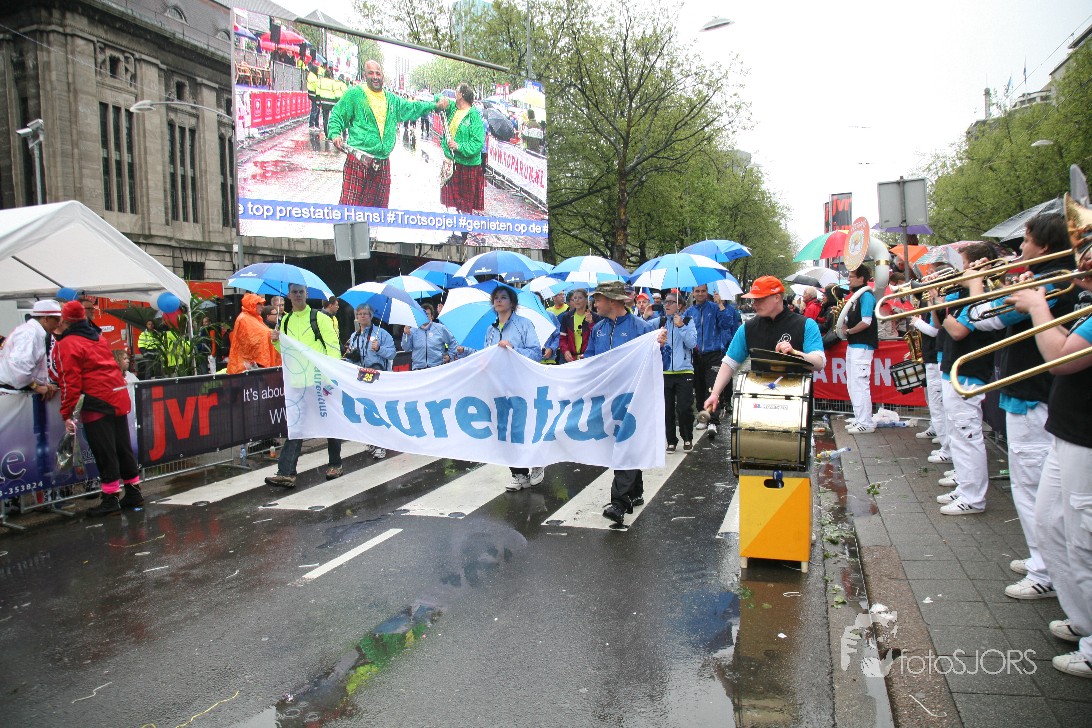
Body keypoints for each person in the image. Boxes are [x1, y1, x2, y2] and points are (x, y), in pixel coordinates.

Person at [962, 214, 1075, 598]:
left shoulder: (1051, 281)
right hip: (1034, 392)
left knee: (1033, 489)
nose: (1020, 248)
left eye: (1025, 241)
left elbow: (983, 320)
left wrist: (975, 284)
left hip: (1034, 394)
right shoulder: (1051, 277)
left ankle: (1046, 570)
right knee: (1035, 489)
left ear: (1044, 245)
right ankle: (1043, 558)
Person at [1007, 233, 1092, 679]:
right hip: (1068, 428)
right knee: (1052, 524)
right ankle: (1083, 618)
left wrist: (1039, 306)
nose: (1083, 259)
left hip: (1084, 437)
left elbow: (1061, 358)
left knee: (1083, 538)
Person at [583, 280, 667, 526]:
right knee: (621, 444)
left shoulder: (641, 328)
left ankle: (619, 503)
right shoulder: (598, 329)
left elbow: (660, 360)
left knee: (625, 443)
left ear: (612, 301)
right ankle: (635, 490)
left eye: (598, 299)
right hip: (607, 398)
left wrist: (661, 346)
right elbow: (590, 358)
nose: (594, 304)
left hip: (633, 398)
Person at [50, 301, 142, 516]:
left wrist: (67, 413)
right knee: (122, 448)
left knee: (104, 451)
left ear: (66, 320)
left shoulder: (68, 343)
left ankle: (110, 499)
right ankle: (133, 492)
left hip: (97, 400)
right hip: (117, 394)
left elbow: (69, 381)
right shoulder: (97, 337)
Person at [934, 242, 1003, 516]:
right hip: (955, 367)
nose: (958, 271)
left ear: (977, 264)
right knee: (958, 433)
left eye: (962, 265)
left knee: (967, 433)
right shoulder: (966, 293)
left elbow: (958, 330)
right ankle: (965, 487)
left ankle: (973, 497)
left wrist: (940, 303)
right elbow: (943, 326)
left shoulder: (980, 294)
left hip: (969, 370)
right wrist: (937, 301)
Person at [703, 275, 826, 422]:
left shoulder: (806, 325)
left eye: (760, 299)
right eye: (754, 299)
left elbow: (819, 363)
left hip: (796, 407)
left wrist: (795, 353)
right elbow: (729, 363)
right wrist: (715, 393)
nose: (755, 304)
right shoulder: (748, 328)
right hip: (759, 405)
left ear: (777, 297)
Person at [328, 60, 450, 208]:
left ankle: (370, 225)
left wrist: (434, 106)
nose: (375, 77)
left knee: (378, 210)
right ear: (364, 75)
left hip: (382, 162)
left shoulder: (392, 100)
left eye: (378, 73)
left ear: (382, 76)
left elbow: (412, 107)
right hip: (358, 159)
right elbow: (337, 115)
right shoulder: (354, 94)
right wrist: (335, 133)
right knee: (349, 207)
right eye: (371, 73)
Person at [266, 283, 344, 486]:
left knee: (330, 424)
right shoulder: (286, 320)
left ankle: (335, 464)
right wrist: (276, 341)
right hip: (297, 384)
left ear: (307, 294)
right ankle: (286, 472)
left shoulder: (320, 318)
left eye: (301, 292)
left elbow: (333, 348)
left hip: (320, 382)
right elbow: (286, 351)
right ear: (289, 295)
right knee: (295, 426)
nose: (298, 295)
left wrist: (330, 379)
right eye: (294, 292)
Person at [480, 287, 547, 492]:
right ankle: (518, 473)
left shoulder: (524, 324)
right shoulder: (490, 329)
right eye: (496, 298)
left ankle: (537, 462)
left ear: (512, 302)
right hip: (499, 386)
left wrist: (513, 349)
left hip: (522, 384)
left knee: (525, 427)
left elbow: (536, 353)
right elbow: (486, 354)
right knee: (505, 429)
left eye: (503, 297)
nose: (499, 301)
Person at [683, 283, 741, 439]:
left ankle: (713, 421)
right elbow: (684, 331)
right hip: (696, 355)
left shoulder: (715, 308)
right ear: (693, 293)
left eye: (703, 291)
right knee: (699, 387)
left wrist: (720, 305)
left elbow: (727, 324)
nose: (700, 294)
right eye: (697, 291)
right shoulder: (689, 311)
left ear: (707, 292)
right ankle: (703, 416)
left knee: (712, 387)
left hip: (714, 353)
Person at [345, 303, 396, 460]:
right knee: (365, 412)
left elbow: (392, 354)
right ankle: (371, 441)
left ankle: (381, 444)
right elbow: (350, 358)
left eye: (365, 313)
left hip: (378, 379)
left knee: (377, 411)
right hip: (361, 380)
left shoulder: (382, 334)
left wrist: (379, 348)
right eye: (359, 314)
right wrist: (350, 355)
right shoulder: (354, 336)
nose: (362, 316)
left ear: (371, 316)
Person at [439, 83, 487, 238]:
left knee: (465, 201)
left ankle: (464, 233)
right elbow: (438, 99)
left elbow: (477, 143)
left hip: (468, 165)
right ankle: (455, 227)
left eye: (456, 91)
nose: (454, 93)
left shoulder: (474, 116)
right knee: (452, 199)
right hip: (453, 162)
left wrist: (459, 146)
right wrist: (441, 100)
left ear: (461, 95)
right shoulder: (453, 109)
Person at [837, 265, 879, 433]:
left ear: (861, 278)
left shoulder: (866, 296)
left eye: (852, 276)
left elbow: (866, 322)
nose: (849, 279)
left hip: (862, 345)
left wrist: (849, 331)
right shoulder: (855, 297)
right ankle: (859, 417)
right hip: (854, 344)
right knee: (853, 383)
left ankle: (865, 422)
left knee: (860, 384)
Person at [0, 300, 62, 399]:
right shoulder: (30, 333)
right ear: (46, 319)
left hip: (17, 392)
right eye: (57, 320)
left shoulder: (31, 331)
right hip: (16, 395)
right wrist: (37, 387)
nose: (59, 324)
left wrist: (42, 384)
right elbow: (19, 365)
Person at [660, 294, 697, 453]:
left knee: (684, 408)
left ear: (679, 306)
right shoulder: (661, 322)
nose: (667, 305)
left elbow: (692, 343)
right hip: (665, 371)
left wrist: (681, 326)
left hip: (684, 371)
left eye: (671, 302)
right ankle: (671, 440)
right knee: (667, 409)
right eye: (666, 302)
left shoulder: (688, 321)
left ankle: (687, 437)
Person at [227, 293, 276, 374]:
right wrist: (271, 334)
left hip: (253, 364)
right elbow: (251, 340)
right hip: (245, 366)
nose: (262, 306)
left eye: (262, 304)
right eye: (259, 304)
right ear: (252, 304)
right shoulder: (243, 319)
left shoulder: (255, 318)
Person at [401, 302, 455, 370]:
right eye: (422, 314)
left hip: (437, 368)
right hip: (418, 369)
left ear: (432, 316)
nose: (425, 316)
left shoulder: (440, 328)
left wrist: (450, 355)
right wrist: (406, 335)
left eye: (427, 314)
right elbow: (406, 348)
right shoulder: (412, 330)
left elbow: (453, 342)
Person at [557, 288, 597, 362]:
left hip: (587, 358)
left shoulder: (595, 317)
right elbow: (562, 339)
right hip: (570, 359)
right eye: (575, 298)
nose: (577, 300)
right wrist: (565, 351)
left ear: (586, 300)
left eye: (580, 298)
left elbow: (597, 338)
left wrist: (591, 323)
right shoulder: (566, 317)